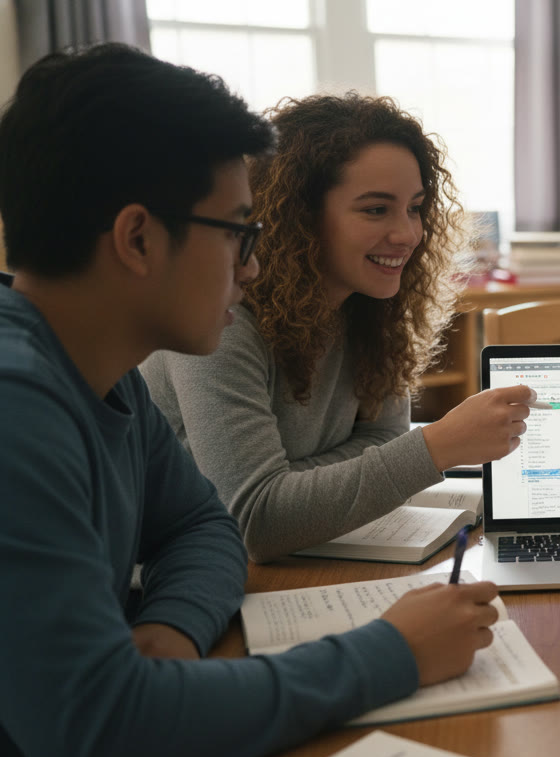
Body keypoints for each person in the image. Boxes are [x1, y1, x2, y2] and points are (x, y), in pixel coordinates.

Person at [0, 45, 499, 757]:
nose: (255, 264)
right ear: (138, 239)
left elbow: (203, 527)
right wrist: (394, 652)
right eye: (237, 232)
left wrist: (172, 627)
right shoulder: (16, 410)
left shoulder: (104, 376)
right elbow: (105, 726)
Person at [141, 93, 535, 562]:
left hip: (295, 560)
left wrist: (294, 482)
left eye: (414, 208)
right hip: (183, 573)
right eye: (375, 210)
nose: (408, 234)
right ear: (299, 216)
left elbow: (384, 440)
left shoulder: (369, 308)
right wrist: (436, 447)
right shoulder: (222, 320)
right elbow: (254, 520)